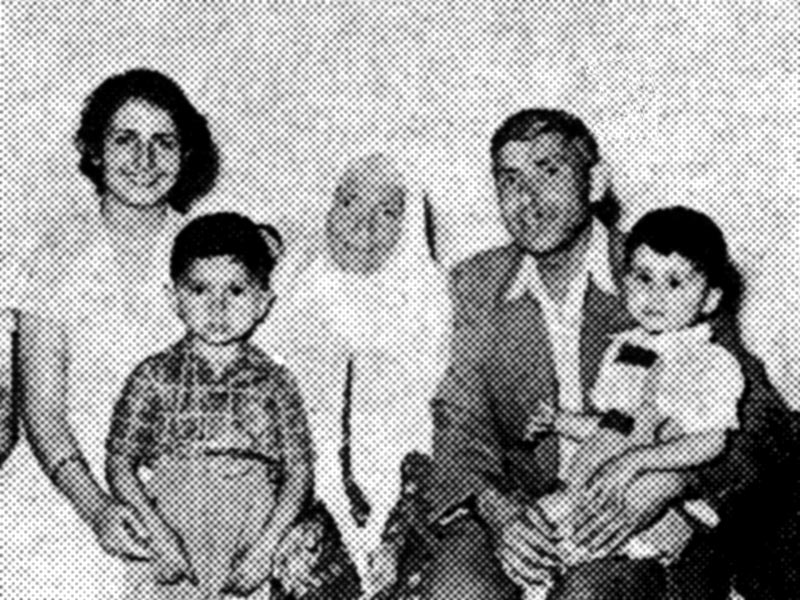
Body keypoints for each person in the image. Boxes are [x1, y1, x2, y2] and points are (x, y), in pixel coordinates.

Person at [423, 109, 790, 600]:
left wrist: (670, 485)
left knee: (588, 594)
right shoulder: (476, 282)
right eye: (509, 179)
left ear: (595, 182)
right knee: (456, 590)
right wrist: (499, 512)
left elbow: (763, 421)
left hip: (649, 516)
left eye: (548, 171)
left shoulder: (661, 270)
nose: (527, 198)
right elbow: (459, 419)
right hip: (523, 506)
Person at [3, 68, 218, 599]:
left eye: (163, 141)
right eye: (125, 139)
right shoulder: (54, 256)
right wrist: (98, 509)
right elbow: (43, 416)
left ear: (185, 153)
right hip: (62, 491)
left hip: (179, 499)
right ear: (94, 150)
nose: (145, 160)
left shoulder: (211, 253)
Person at [519, 207, 744, 598]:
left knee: (579, 556)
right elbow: (615, 424)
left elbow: (712, 441)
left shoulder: (710, 361)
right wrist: (559, 421)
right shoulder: (624, 349)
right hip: (597, 483)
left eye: (675, 282)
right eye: (643, 277)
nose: (655, 294)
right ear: (626, 282)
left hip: (658, 502)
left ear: (710, 298)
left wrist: (636, 461)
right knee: (539, 521)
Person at [255, 150, 451, 598]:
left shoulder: (432, 306)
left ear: (410, 225)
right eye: (348, 203)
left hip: (409, 507)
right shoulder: (283, 298)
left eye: (388, 212)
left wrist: (395, 533)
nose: (364, 227)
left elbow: (438, 438)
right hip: (294, 505)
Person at [106, 213, 312, 599]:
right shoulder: (152, 375)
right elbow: (119, 463)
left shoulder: (277, 381)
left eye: (236, 290)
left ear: (263, 302)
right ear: (173, 297)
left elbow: (299, 472)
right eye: (199, 289)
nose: (218, 308)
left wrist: (266, 548)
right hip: (171, 531)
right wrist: (157, 533)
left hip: (250, 534)